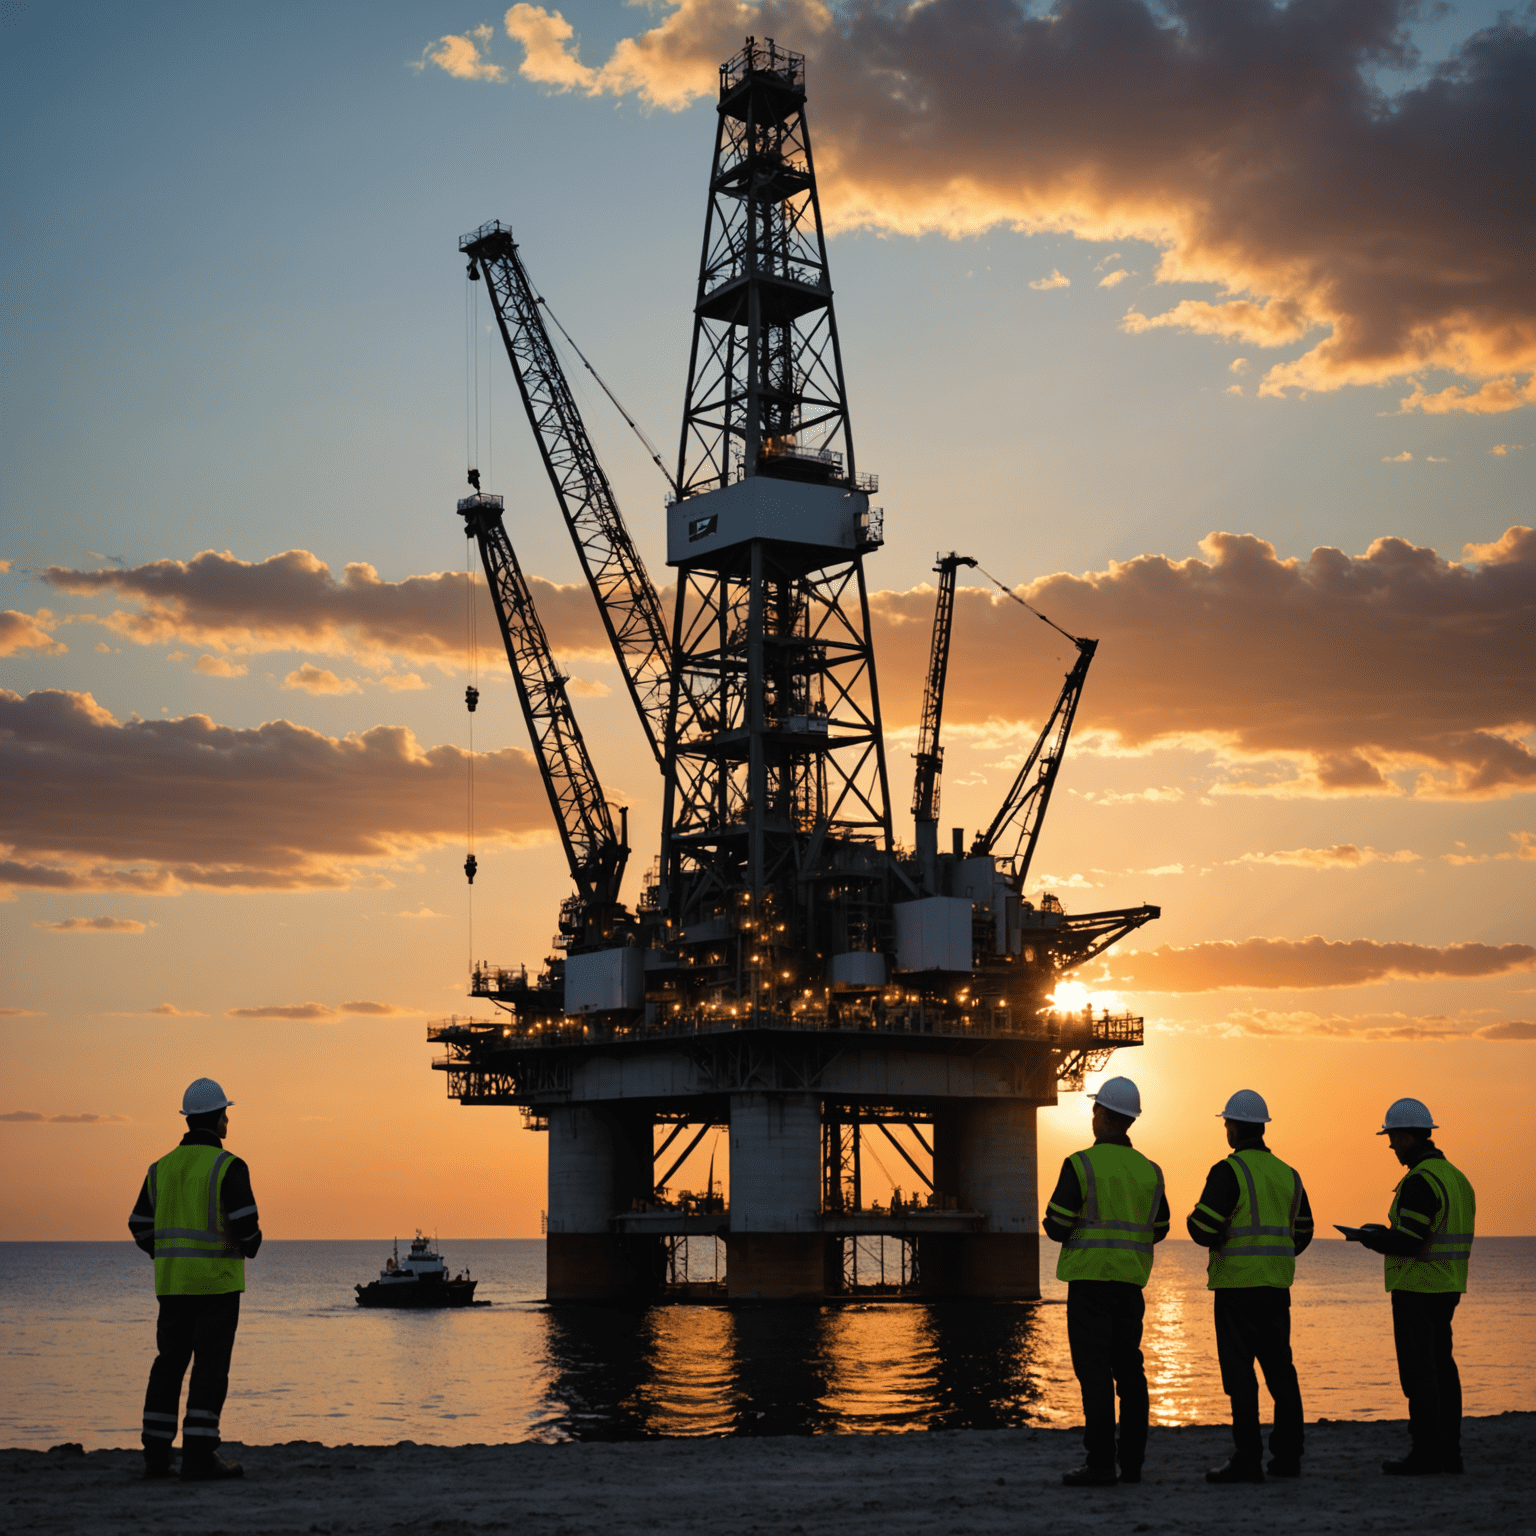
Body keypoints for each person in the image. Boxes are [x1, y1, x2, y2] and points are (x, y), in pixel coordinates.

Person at [127, 1078, 261, 1482]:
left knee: (168, 1366)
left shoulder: (160, 1168)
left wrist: (163, 1254)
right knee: (209, 1368)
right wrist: (249, 1244)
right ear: (219, 1118)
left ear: (188, 1120)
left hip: (171, 1287)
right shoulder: (228, 1167)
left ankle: (155, 1456)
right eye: (226, 1115)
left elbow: (139, 1224)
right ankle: (200, 1456)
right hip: (216, 1287)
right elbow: (246, 1230)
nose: (227, 1123)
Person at [1042, 1075, 1171, 1487]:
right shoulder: (1151, 1171)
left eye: (1095, 1109)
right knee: (1131, 1374)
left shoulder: (1080, 1164)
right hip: (1131, 1287)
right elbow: (1162, 1226)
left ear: (1100, 1114)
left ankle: (1100, 1464)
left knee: (1095, 1375)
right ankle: (1132, 1465)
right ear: (1130, 1120)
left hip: (1089, 1286)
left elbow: (1058, 1226)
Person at [1187, 1089, 1313, 1484]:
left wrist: (1199, 1221)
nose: (1226, 1128)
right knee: (1281, 1373)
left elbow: (1203, 1228)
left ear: (1237, 1127)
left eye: (1227, 1123)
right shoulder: (1288, 1174)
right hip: (1276, 1289)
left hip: (1237, 1290)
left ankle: (1247, 1458)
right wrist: (1276, 1256)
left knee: (1240, 1376)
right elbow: (1304, 1231)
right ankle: (1288, 1457)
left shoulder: (1229, 1171)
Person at [1350, 1098, 1475, 1476]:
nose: (1390, 1146)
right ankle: (1449, 1454)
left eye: (1392, 1137)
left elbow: (1409, 1239)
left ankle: (1424, 1455)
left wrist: (1371, 1238)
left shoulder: (1420, 1180)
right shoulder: (1457, 1178)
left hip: (1417, 1288)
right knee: (1443, 1370)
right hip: (1447, 1286)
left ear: (1406, 1137)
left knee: (1420, 1374)